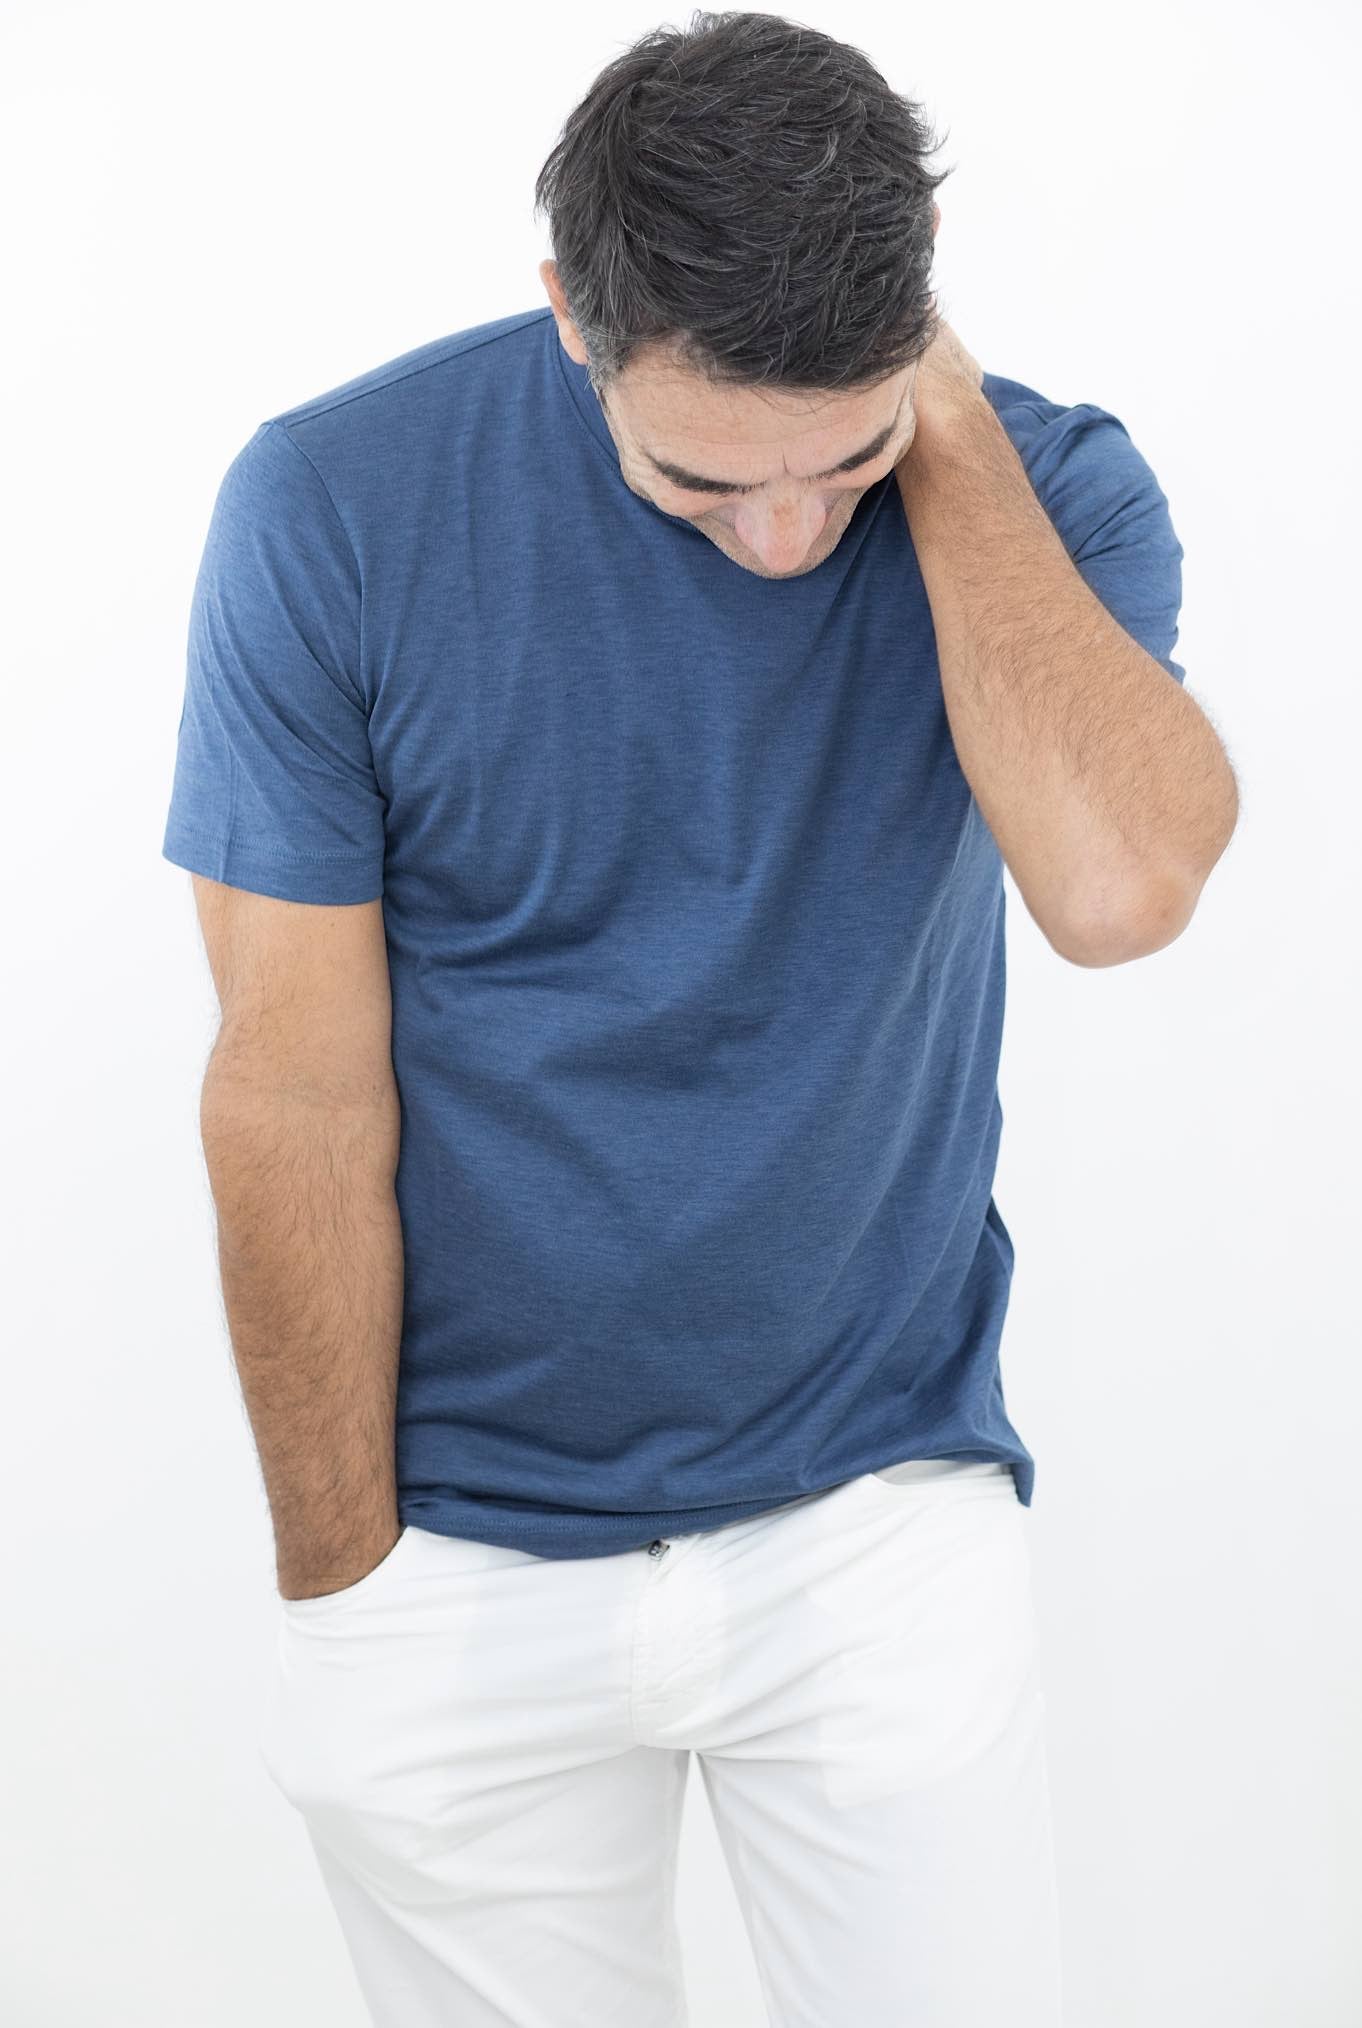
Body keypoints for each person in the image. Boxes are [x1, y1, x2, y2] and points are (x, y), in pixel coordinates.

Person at [161, 12, 1237, 2024]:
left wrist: (939, 428)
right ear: (573, 315)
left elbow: (1115, 892)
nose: (785, 536)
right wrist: (342, 1587)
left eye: (845, 460)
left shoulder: (1052, 492)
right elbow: (292, 1088)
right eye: (704, 476)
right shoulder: (334, 507)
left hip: (874, 1521)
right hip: (458, 1558)